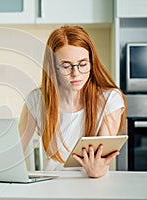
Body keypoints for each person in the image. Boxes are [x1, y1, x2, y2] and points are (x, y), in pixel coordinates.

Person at [19, 25, 127, 178]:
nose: (75, 74)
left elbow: (100, 163)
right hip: (51, 187)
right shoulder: (37, 100)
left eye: (83, 64)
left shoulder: (110, 99)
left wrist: (97, 171)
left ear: (92, 63)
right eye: (66, 66)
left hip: (93, 185)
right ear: (53, 68)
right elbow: (15, 154)